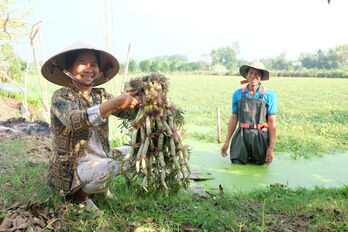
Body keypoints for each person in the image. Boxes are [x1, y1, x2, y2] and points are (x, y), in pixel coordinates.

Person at [41, 42, 139, 211]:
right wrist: (114, 103)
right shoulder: (62, 96)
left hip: (100, 156)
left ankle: (99, 187)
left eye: (93, 64)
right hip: (73, 166)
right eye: (82, 63)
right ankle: (79, 198)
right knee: (109, 168)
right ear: (69, 68)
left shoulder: (100, 95)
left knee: (135, 153)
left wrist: (145, 103)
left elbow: (126, 114)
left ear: (99, 70)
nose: (89, 69)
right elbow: (73, 120)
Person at [220, 62, 277, 165]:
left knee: (259, 166)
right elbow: (234, 118)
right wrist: (226, 142)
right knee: (236, 164)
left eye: (257, 74)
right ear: (246, 75)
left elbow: (272, 121)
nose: (253, 76)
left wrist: (271, 147)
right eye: (251, 73)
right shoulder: (237, 94)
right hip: (241, 136)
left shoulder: (269, 95)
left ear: (261, 77)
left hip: (260, 137)